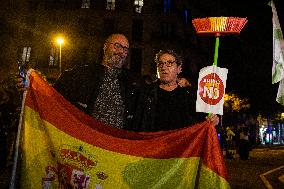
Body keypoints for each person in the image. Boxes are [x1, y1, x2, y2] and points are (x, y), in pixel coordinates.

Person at [130, 49, 218, 132]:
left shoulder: (191, 94)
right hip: (154, 145)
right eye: (160, 64)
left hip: (183, 146)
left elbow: (204, 121)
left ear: (179, 69)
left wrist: (214, 120)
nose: (164, 67)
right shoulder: (146, 93)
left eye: (169, 63)